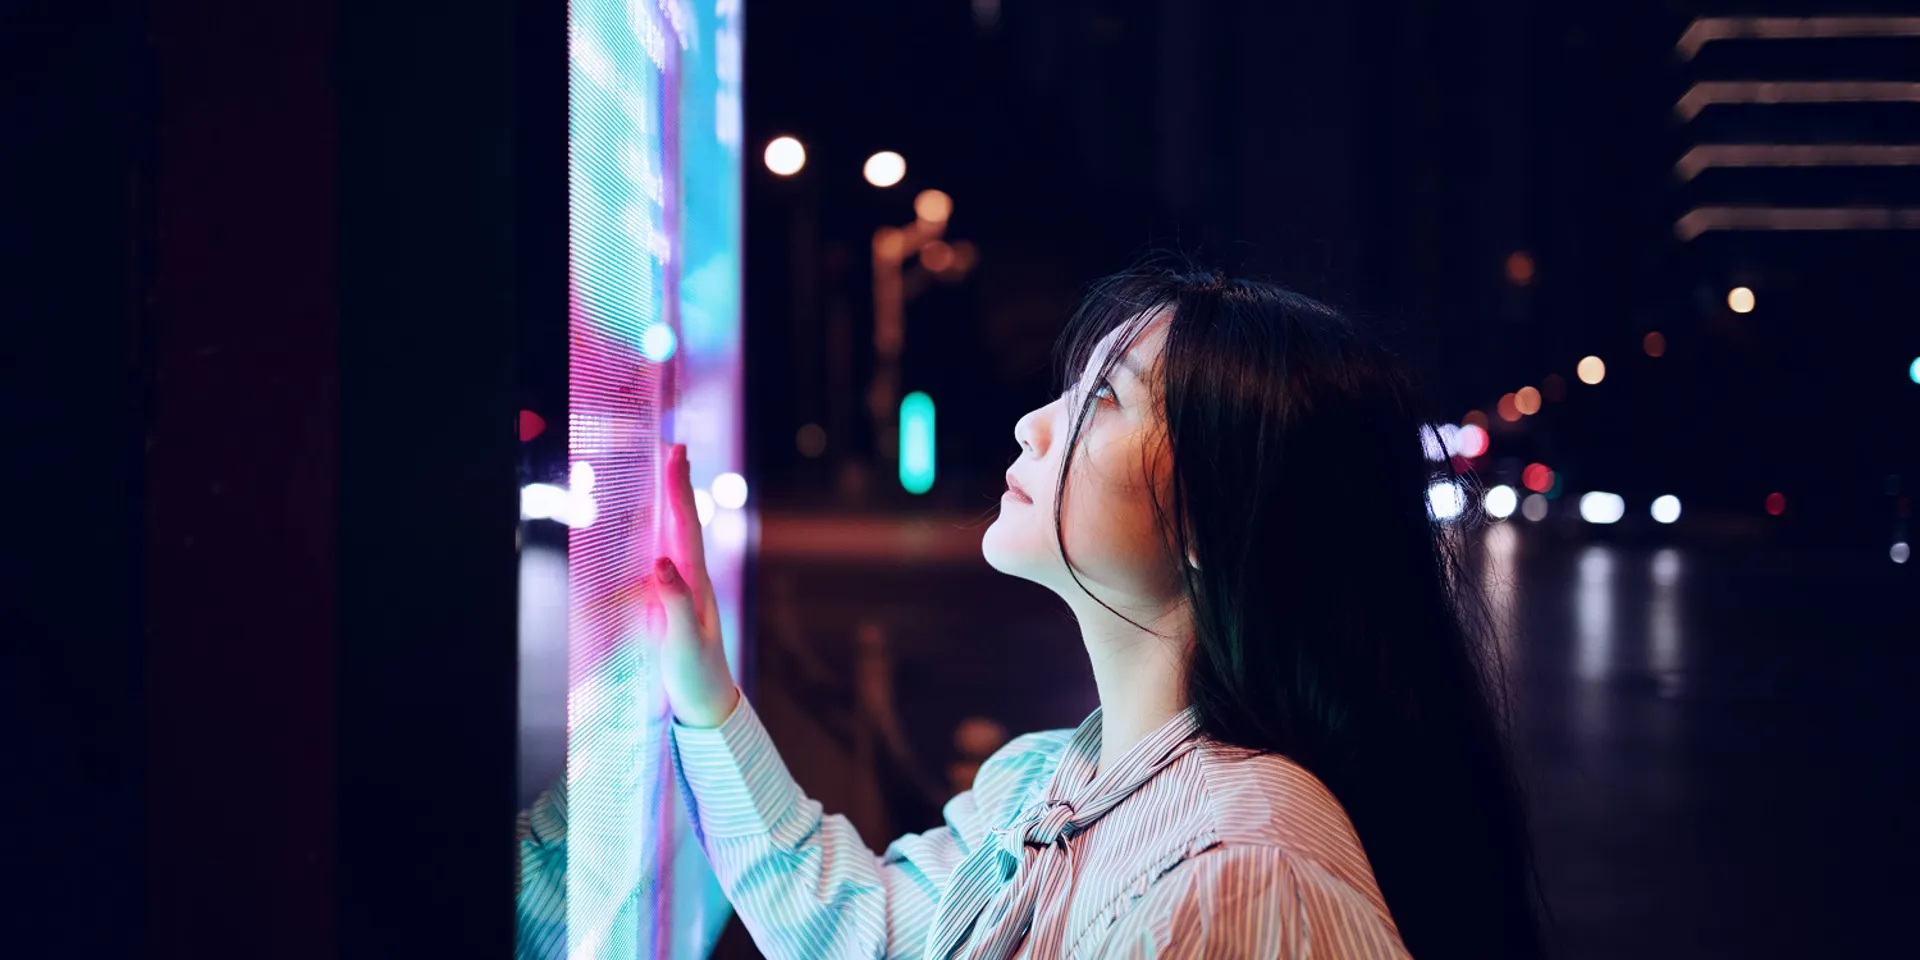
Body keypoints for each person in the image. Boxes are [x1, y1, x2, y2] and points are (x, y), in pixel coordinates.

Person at [521, 258, 1548, 959]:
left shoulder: (1244, 870)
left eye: (1103, 399)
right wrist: (706, 693)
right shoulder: (1044, 784)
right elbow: (872, 930)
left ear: (1221, 514)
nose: (1034, 423)